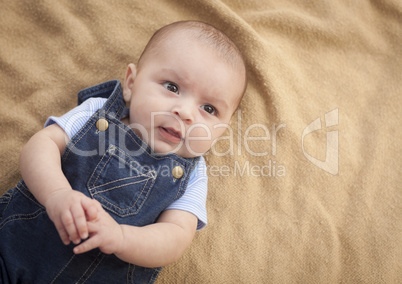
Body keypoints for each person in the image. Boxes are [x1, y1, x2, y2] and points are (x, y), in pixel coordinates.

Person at [0, 20, 247, 283]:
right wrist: (57, 195)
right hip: (15, 245)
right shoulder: (98, 112)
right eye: (172, 87)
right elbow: (41, 145)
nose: (185, 113)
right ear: (131, 83)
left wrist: (122, 238)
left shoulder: (194, 175)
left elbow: (175, 236)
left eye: (209, 109)